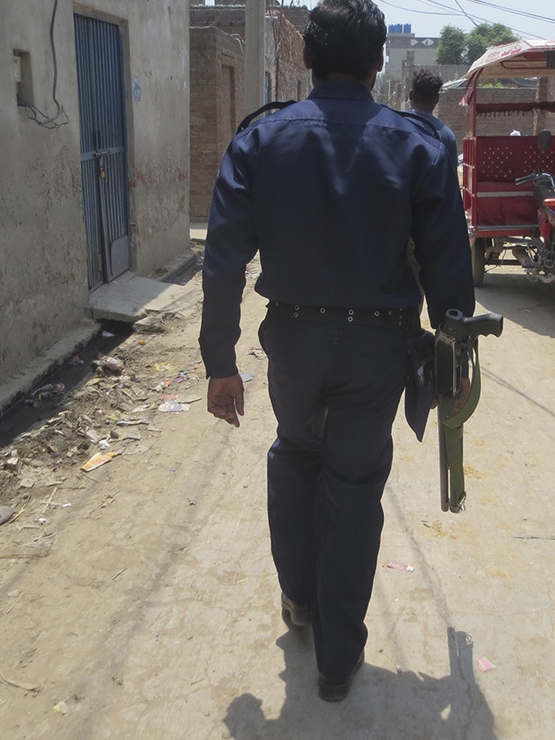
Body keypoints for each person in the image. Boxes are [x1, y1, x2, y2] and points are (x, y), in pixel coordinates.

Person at [198, 0, 474, 703]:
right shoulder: (419, 144)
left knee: (294, 456)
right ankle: (336, 662)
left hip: (292, 340)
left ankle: (299, 602)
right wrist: (453, 350)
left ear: (309, 60)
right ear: (380, 61)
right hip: (378, 348)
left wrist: (220, 363)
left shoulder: (262, 138)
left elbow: (224, 257)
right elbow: (448, 263)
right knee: (353, 491)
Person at [408, 69, 459, 171]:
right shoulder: (447, 136)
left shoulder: (395, 126)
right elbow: (452, 183)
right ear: (437, 99)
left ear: (411, 96)